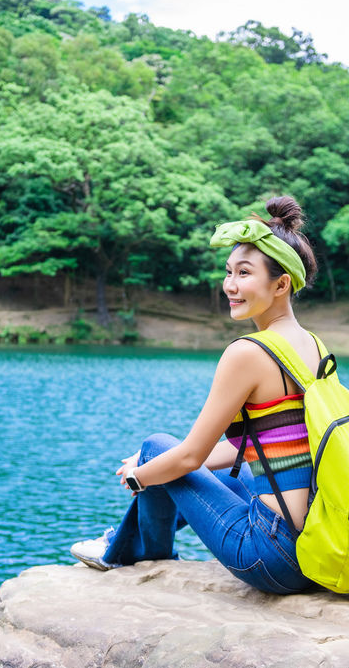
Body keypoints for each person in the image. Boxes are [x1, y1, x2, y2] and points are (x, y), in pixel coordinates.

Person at [69, 195, 323, 595]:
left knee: (157, 446)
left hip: (271, 556)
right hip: (313, 549)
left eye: (243, 273)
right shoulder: (315, 347)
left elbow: (189, 455)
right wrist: (159, 465)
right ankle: (122, 541)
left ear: (281, 284)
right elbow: (265, 448)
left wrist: (140, 475)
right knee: (183, 463)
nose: (230, 285)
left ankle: (137, 554)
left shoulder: (249, 353)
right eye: (228, 272)